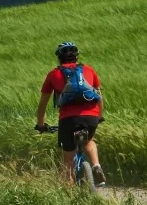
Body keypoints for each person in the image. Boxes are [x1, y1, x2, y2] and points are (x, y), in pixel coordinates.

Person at [35, 42, 107, 186]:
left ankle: (70, 193)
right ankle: (96, 165)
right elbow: (99, 97)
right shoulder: (88, 70)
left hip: (68, 120)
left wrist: (41, 125)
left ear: (59, 58)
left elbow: (42, 105)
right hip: (91, 116)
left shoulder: (53, 74)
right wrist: (98, 117)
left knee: (68, 161)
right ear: (76, 56)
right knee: (89, 140)